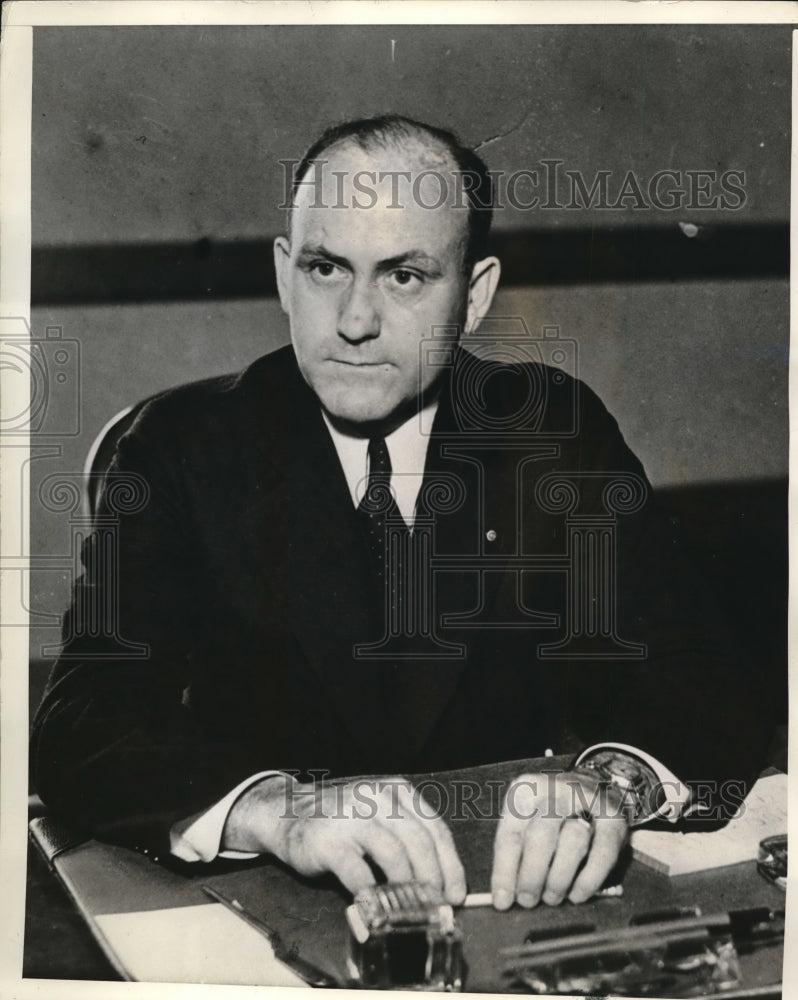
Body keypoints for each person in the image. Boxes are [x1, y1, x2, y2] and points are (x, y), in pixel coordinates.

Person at [32, 116, 768, 913]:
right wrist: (275, 809)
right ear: (284, 275)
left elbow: (707, 682)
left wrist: (609, 785)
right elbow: (82, 725)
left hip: (520, 900)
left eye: (405, 277)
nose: (354, 320)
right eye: (325, 268)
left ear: (475, 295)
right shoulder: (182, 446)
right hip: (273, 899)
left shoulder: (550, 430)